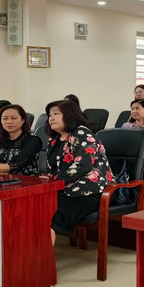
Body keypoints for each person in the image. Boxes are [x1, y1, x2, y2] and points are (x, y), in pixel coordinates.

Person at [44, 100, 113, 246]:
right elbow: (51, 168)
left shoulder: (81, 133)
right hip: (64, 188)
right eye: (50, 114)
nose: (51, 118)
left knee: (46, 215)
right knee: (35, 206)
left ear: (69, 115)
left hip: (88, 191)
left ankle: (42, 264)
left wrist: (54, 184)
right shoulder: (54, 139)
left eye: (56, 114)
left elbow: (82, 166)